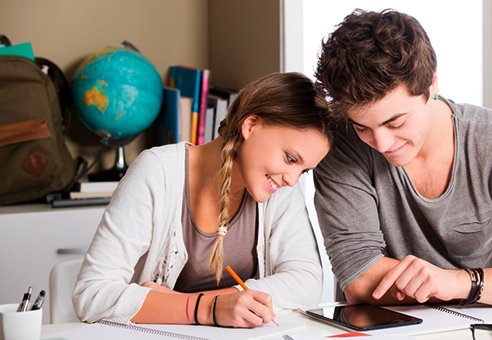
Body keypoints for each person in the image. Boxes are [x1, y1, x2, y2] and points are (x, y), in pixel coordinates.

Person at [313, 9, 492, 308]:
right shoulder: (341, 146)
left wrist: (461, 282)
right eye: (362, 127)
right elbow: (360, 281)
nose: (381, 143)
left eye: (396, 122)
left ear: (432, 84)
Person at [73, 72, 333, 327]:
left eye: (304, 170)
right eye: (290, 158)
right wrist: (206, 309)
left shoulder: (280, 190)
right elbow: (92, 294)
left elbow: (307, 281)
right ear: (251, 125)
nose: (292, 179)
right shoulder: (157, 172)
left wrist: (188, 302)